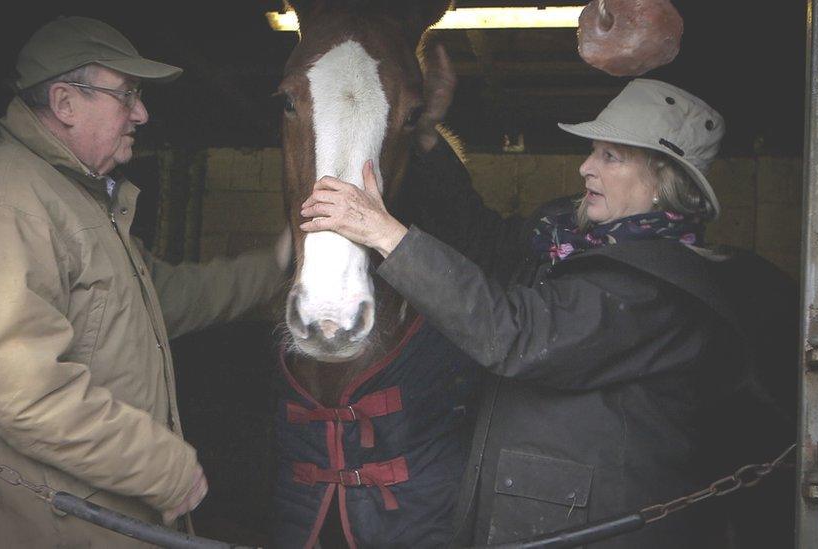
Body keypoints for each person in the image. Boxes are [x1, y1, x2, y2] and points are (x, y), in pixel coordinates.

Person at [299, 78, 757, 547]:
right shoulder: (570, 241)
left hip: (596, 530)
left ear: (664, 181)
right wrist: (426, 136)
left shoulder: (660, 290)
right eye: (593, 151)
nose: (585, 167)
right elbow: (486, 243)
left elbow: (517, 335)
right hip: (543, 516)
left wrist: (385, 234)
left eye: (609, 157)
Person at [0, 16, 289, 548]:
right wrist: (164, 468)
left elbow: (164, 298)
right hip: (28, 528)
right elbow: (23, 390)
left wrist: (277, 264)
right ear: (65, 104)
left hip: (79, 519)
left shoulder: (72, 199)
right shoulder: (6, 204)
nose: (142, 113)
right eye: (126, 95)